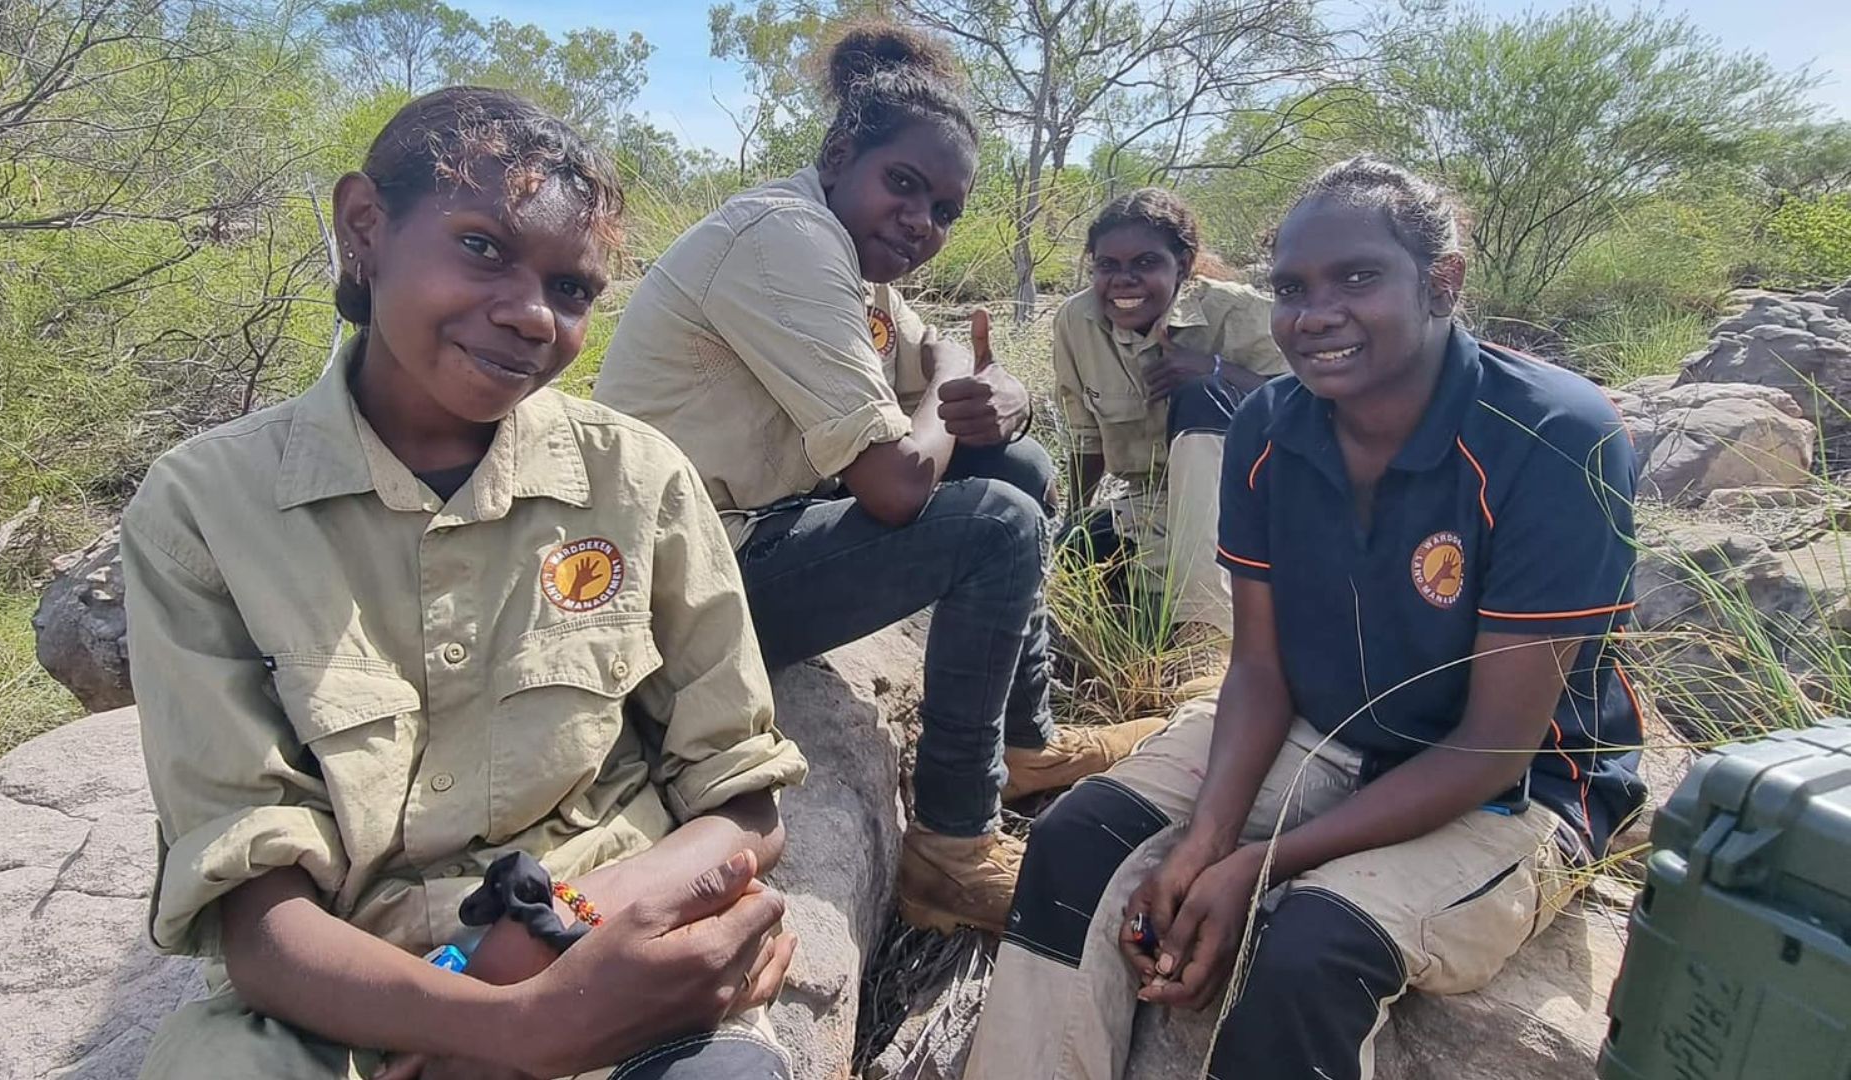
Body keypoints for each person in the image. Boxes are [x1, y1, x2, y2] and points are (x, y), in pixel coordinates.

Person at [125, 87, 811, 1080]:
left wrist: (570, 931)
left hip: (611, 954)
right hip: (342, 1001)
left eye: (572, 289)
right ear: (365, 225)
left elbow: (741, 804)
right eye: (483, 246)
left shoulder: (639, 479)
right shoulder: (207, 506)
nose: (531, 313)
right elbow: (258, 918)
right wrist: (507, 1029)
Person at [967, 156, 1647, 1079]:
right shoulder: (1271, 427)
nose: (1314, 314)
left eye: (1357, 278)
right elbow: (1258, 672)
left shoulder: (1551, 436)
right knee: (1073, 842)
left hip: (1512, 787)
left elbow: (1493, 744)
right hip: (1316, 731)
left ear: (1441, 281)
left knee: (1310, 949)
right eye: (1291, 288)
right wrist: (1209, 837)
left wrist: (1263, 863)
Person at [593, 25, 1161, 936]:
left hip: (746, 538)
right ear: (839, 154)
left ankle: (1025, 744)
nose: (921, 223)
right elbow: (895, 484)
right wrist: (946, 393)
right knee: (999, 525)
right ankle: (951, 848)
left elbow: (933, 354)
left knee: (1013, 461)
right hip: (675, 591)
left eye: (944, 209)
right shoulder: (786, 239)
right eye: (904, 185)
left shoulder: (849, 261)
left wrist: (997, 394)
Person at [1053, 188, 1288, 634]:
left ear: (1181, 265)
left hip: (1251, 503)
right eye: (1108, 266)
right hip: (1148, 508)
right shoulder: (1075, 321)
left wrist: (1218, 369)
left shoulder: (1239, 312)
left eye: (1145, 263)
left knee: (1201, 395)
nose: (1124, 280)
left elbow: (1312, 404)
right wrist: (1073, 524)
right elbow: (1085, 439)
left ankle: (1203, 635)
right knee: (1076, 561)